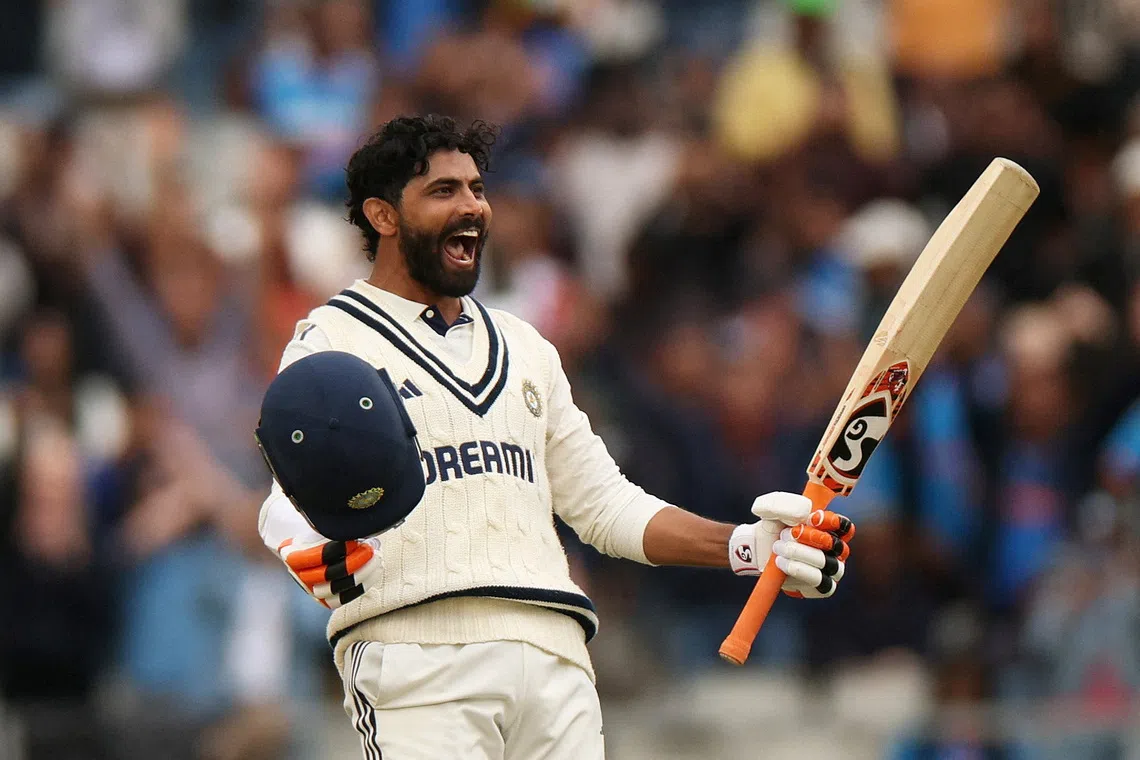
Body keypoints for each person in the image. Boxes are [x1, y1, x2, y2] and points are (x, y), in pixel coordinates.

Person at [257, 114, 856, 759]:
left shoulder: (526, 348)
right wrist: (304, 547)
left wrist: (746, 546)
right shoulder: (330, 342)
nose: (473, 208)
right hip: (416, 655)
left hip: (556, 659)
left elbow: (603, 506)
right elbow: (285, 502)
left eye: (477, 189)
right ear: (382, 215)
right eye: (444, 192)